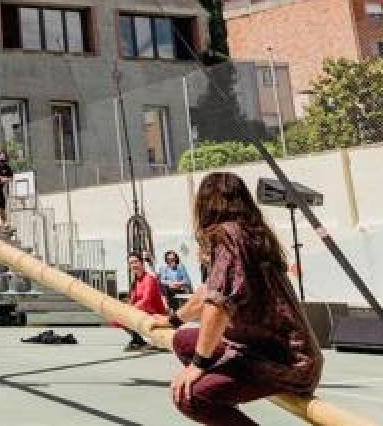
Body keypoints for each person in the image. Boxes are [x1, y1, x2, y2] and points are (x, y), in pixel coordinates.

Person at [149, 172, 322, 426]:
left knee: (191, 397)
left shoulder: (228, 237)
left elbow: (217, 304)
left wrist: (198, 366)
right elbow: (207, 292)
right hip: (266, 350)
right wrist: (173, 320)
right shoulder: (251, 234)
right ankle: (228, 391)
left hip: (286, 361)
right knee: (184, 340)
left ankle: (222, 394)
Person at [123, 252, 167, 351]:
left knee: (127, 314)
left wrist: (131, 309)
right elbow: (132, 300)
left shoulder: (149, 279)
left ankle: (139, 340)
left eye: (135, 262)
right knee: (117, 317)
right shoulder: (135, 282)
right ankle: (138, 340)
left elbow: (146, 300)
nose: (133, 265)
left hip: (154, 314)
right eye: (131, 263)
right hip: (142, 312)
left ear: (142, 263)